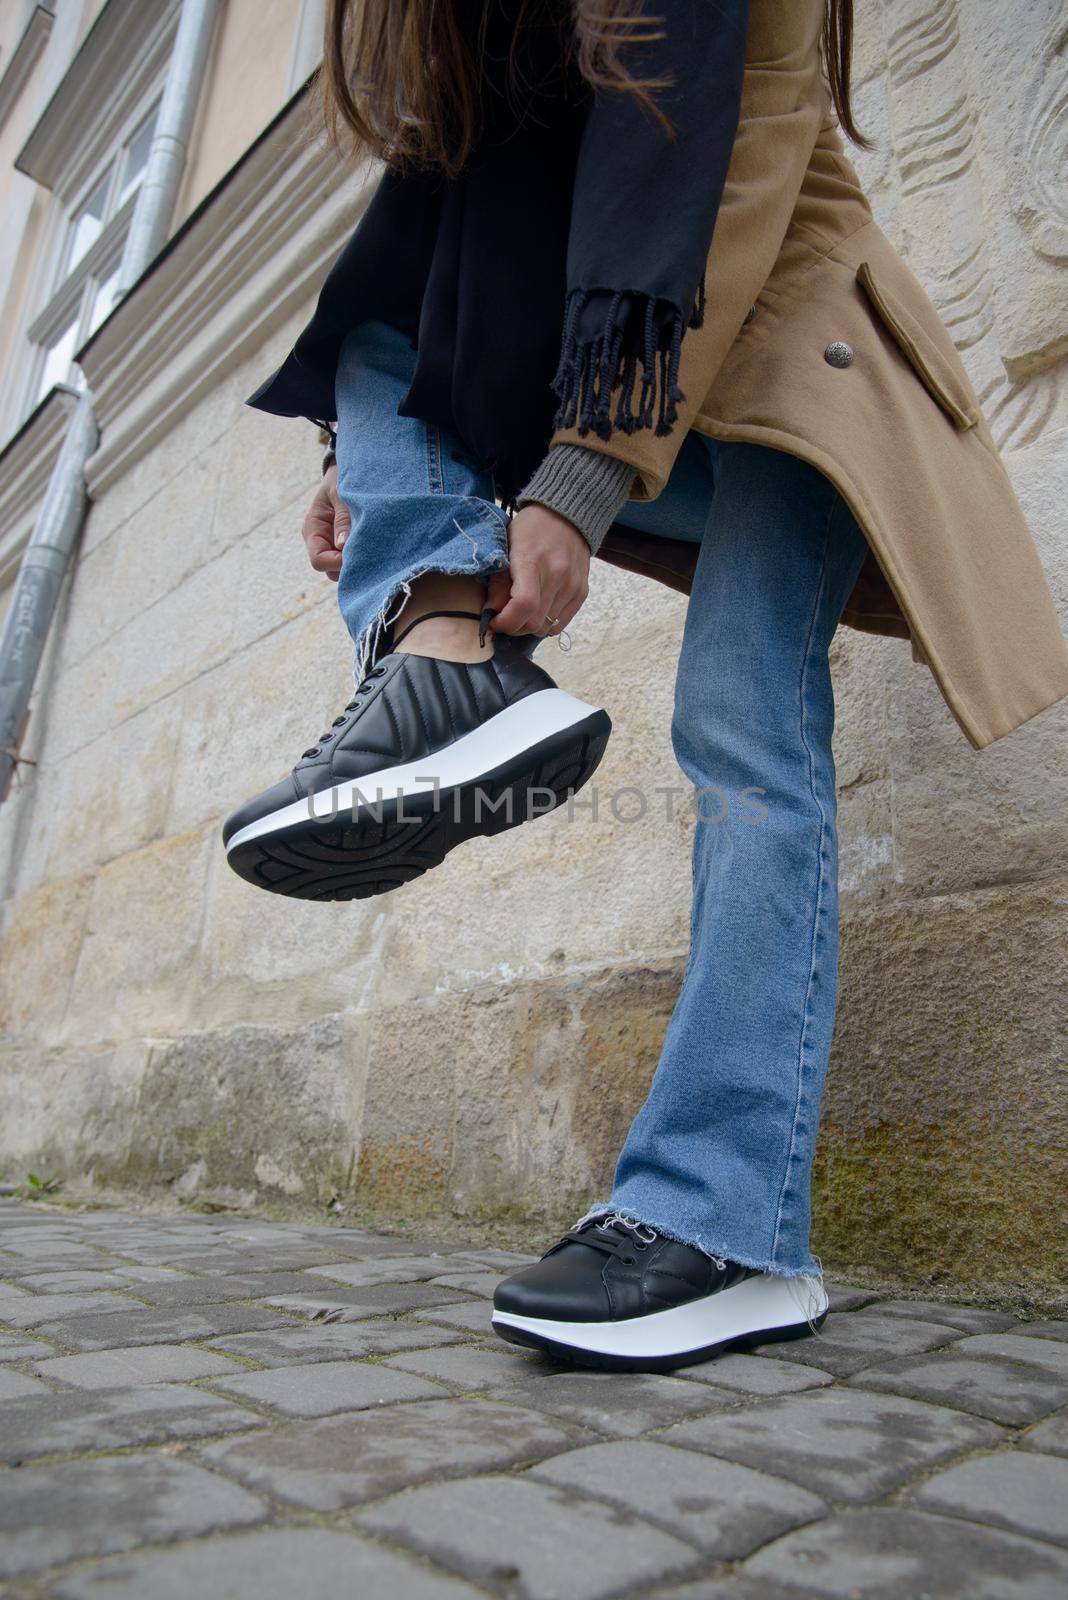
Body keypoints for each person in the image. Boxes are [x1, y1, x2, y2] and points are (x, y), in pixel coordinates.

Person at [222, 0, 1068, 1372]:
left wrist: (581, 476)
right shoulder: (489, 41)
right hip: (644, 370)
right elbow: (431, 267)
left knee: (744, 736)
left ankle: (725, 1224)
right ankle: (444, 660)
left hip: (791, 358)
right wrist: (361, 466)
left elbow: (728, 183)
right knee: (381, 307)